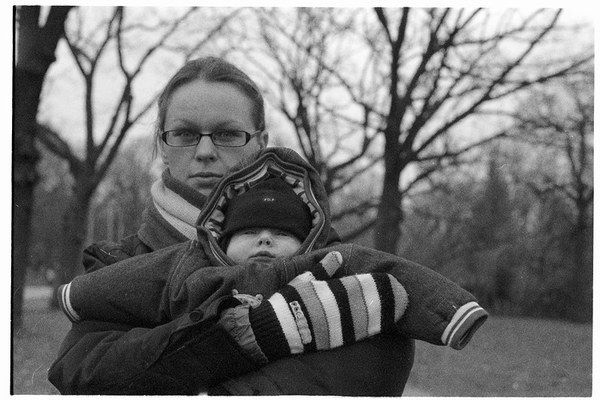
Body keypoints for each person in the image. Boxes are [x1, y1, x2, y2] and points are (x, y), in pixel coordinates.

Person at [48, 57, 417, 395]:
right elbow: (83, 371)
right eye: (184, 134)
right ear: (162, 145)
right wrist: (247, 333)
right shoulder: (117, 263)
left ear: (261, 143)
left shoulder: (327, 255)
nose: (205, 152)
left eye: (227, 134)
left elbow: (378, 359)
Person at [56, 173, 487, 357]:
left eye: (280, 233)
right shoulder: (192, 267)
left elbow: (392, 272)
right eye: (249, 232)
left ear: (305, 243)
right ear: (223, 242)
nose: (264, 239)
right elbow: (141, 280)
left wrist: (452, 312)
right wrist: (79, 296)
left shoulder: (330, 265)